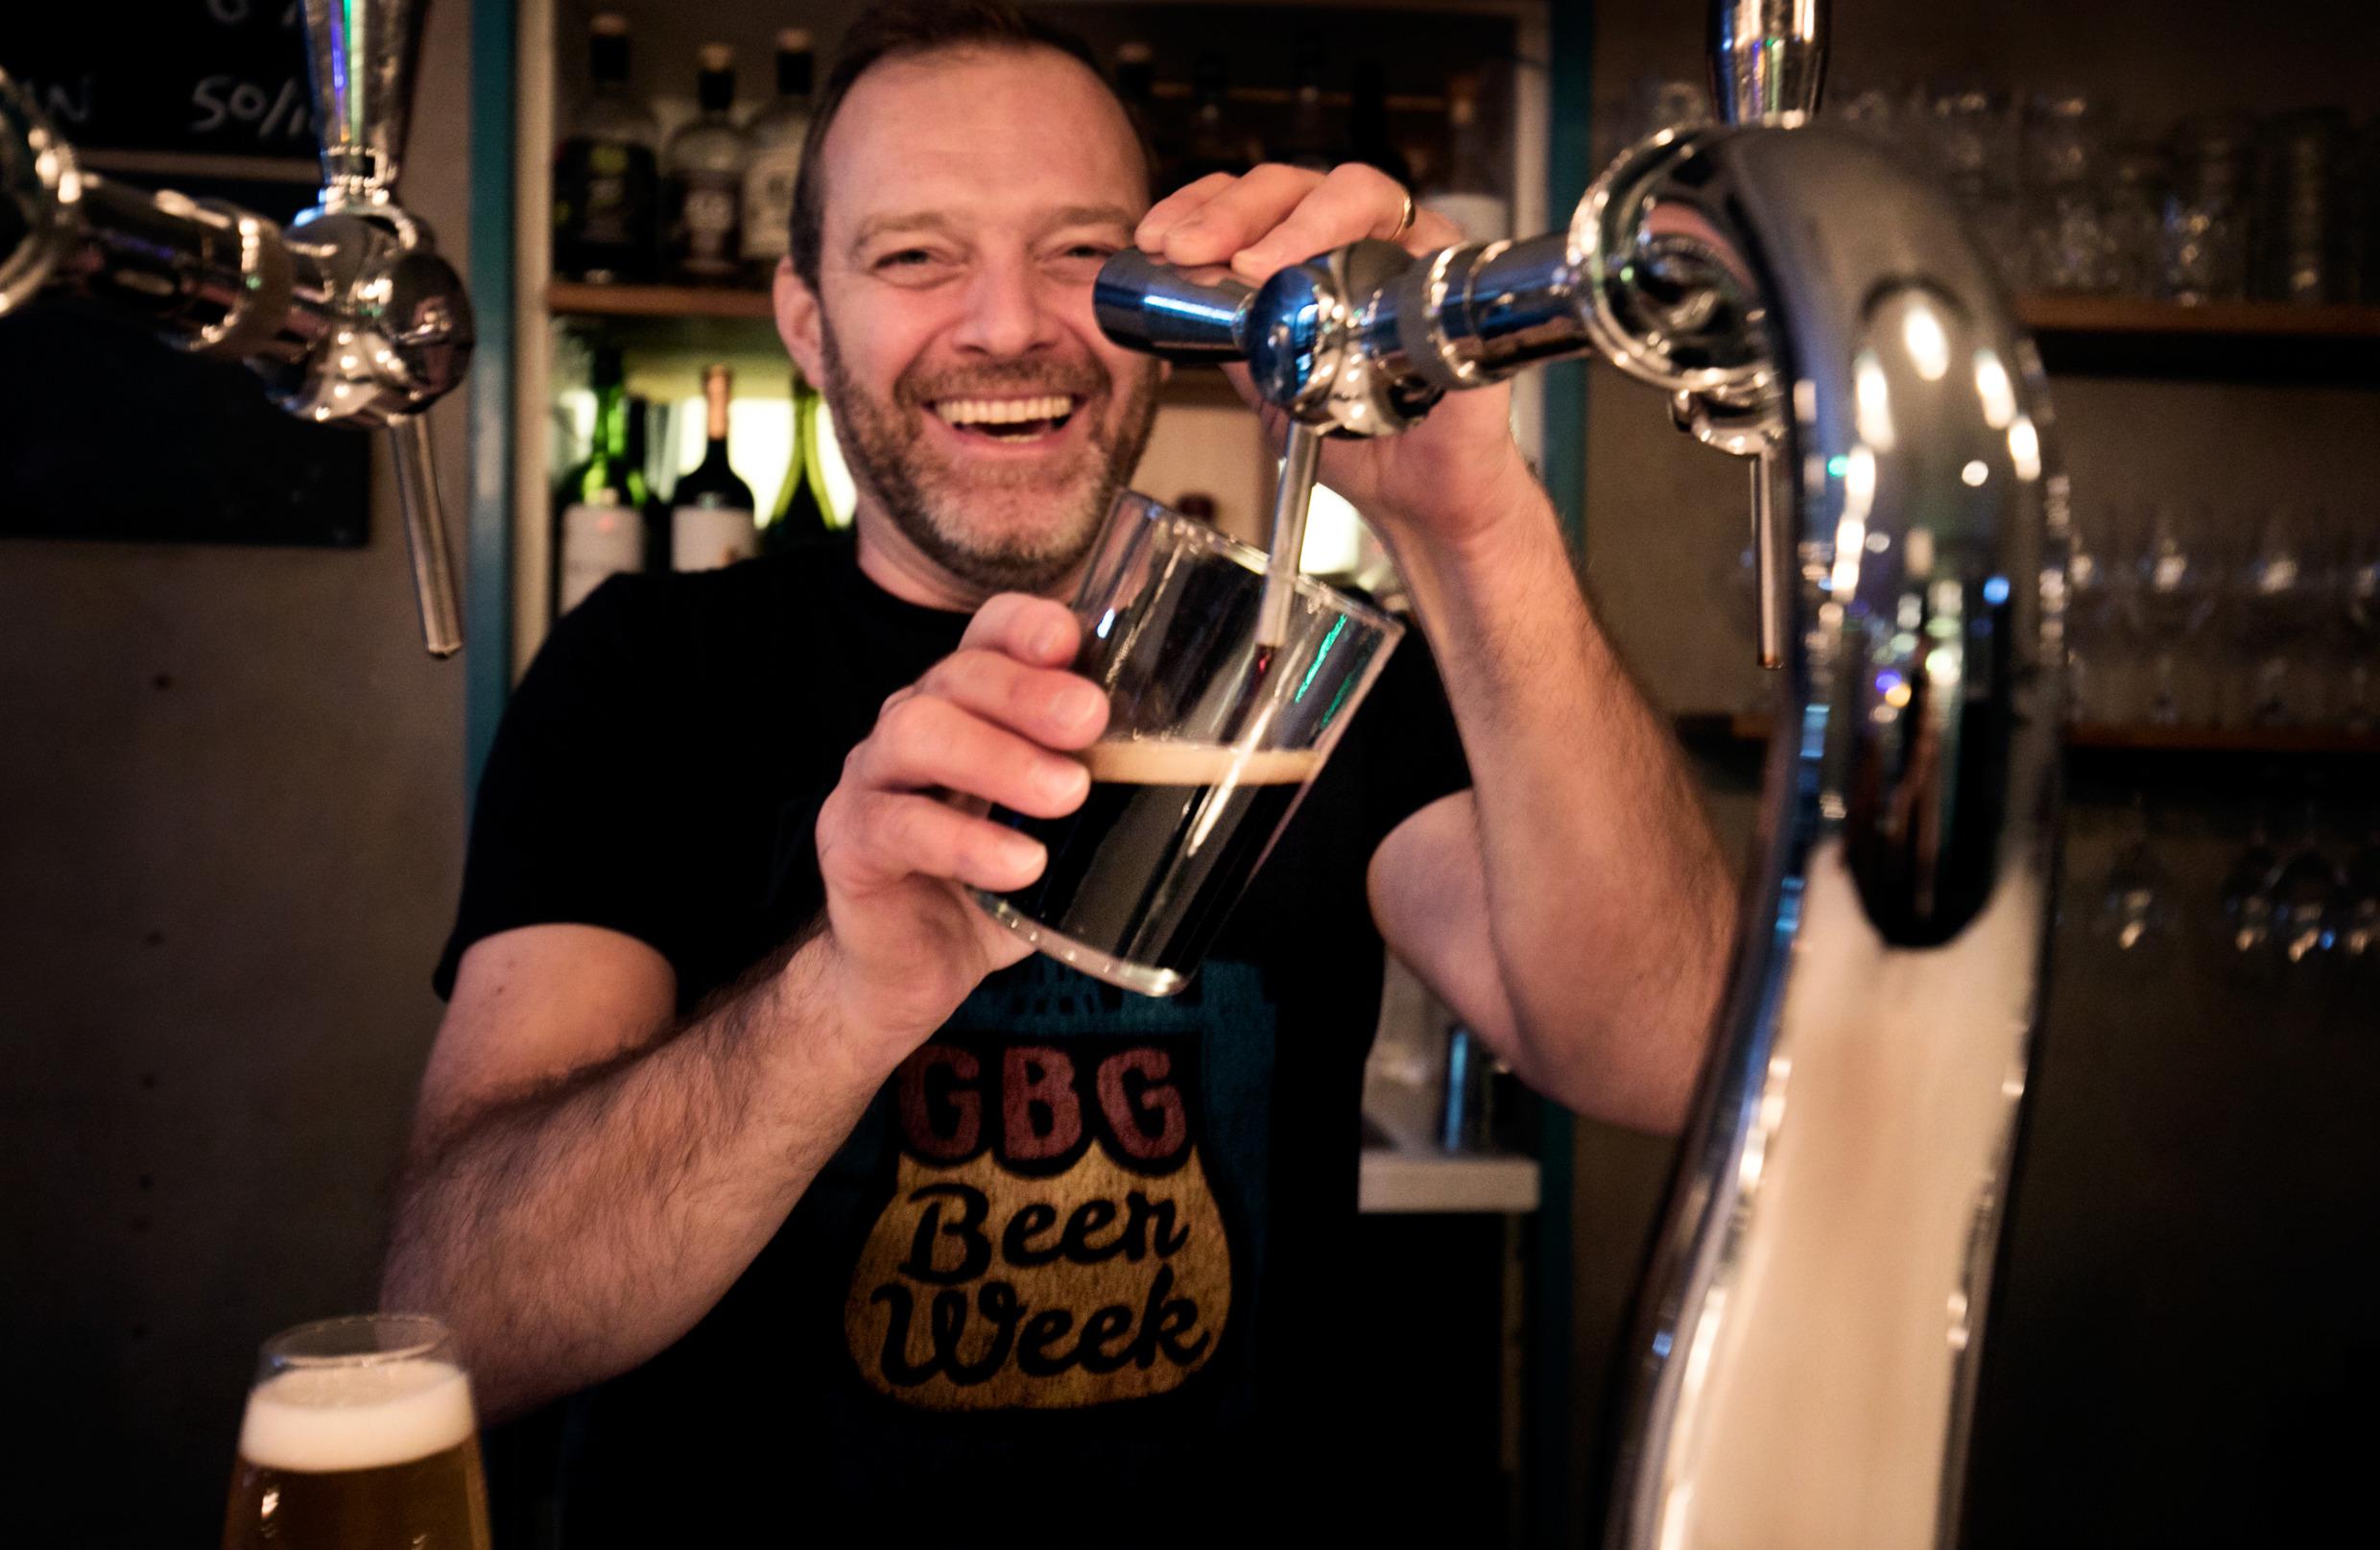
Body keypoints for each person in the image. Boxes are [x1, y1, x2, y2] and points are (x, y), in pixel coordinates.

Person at [384, 3, 1736, 1541]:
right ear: (807, 319)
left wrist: (1473, 523)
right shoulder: (645, 673)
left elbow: (1662, 1049)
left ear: (1179, 303)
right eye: (913, 257)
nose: (1012, 325)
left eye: (1085, 255)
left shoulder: (1326, 676)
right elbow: (458, 1322)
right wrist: (842, 996)